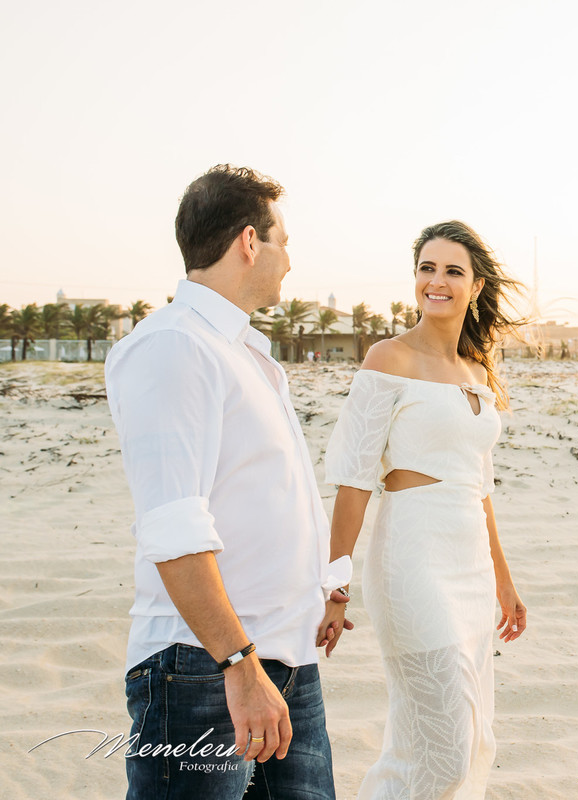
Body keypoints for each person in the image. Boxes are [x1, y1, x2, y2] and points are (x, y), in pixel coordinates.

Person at [105, 164, 352, 799]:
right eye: (283, 242)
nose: (289, 262)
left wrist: (319, 591)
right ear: (249, 241)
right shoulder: (172, 347)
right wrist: (237, 664)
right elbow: (174, 527)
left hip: (283, 659)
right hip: (203, 668)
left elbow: (260, 496)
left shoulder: (245, 352)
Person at [324, 220, 527, 799]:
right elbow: (354, 480)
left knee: (469, 741)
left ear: (476, 284)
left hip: (470, 565)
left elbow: (479, 487)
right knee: (444, 748)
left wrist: (504, 585)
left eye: (452, 271)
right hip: (412, 559)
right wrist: (335, 584)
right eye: (426, 268)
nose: (436, 281)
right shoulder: (388, 358)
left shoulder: (477, 370)